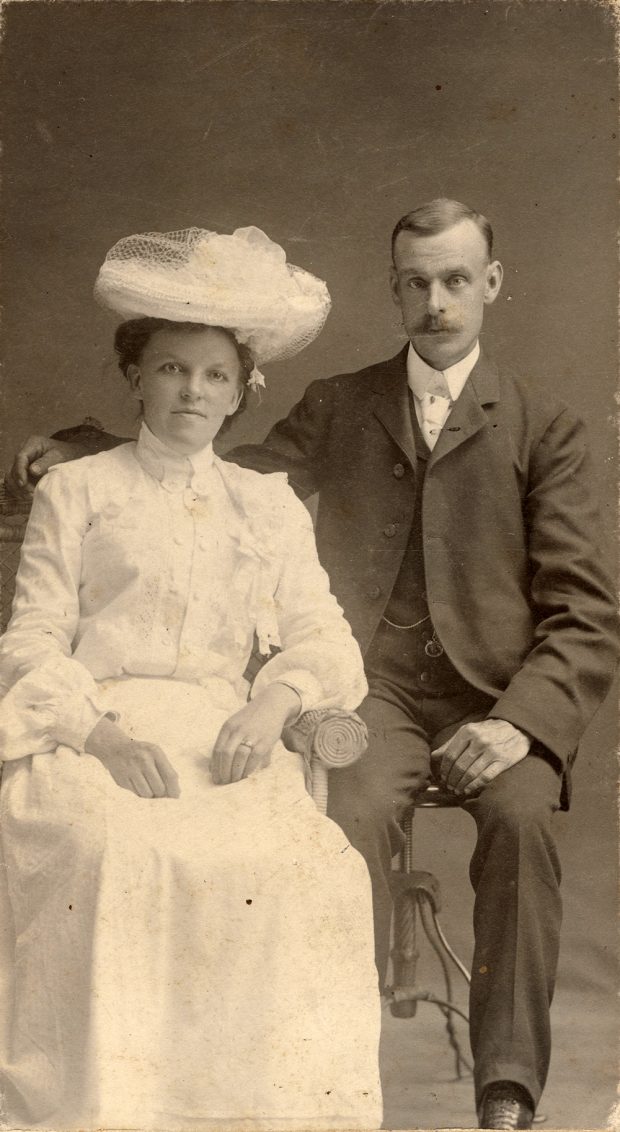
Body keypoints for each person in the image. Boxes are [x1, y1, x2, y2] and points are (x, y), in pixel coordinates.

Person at [9, 199, 619, 1130]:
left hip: (496, 699)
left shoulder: (546, 424)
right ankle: (328, 1062)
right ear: (394, 289)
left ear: (492, 284)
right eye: (416, 282)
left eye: (457, 280)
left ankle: (506, 1086)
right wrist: (93, 449)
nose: (437, 302)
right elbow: (219, 465)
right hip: (374, 697)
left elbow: (585, 608)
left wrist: (519, 723)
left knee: (524, 819)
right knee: (350, 814)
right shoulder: (343, 401)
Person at [0, 225, 383, 1131]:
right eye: (172, 369)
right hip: (96, 727)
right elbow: (32, 638)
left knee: (305, 866)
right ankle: (118, 1104)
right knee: (110, 850)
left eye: (214, 375)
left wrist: (272, 701)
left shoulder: (266, 502)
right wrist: (97, 733)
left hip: (226, 732)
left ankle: (253, 1109)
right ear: (135, 375)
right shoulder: (79, 488)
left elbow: (321, 633)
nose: (192, 391)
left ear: (243, 389)